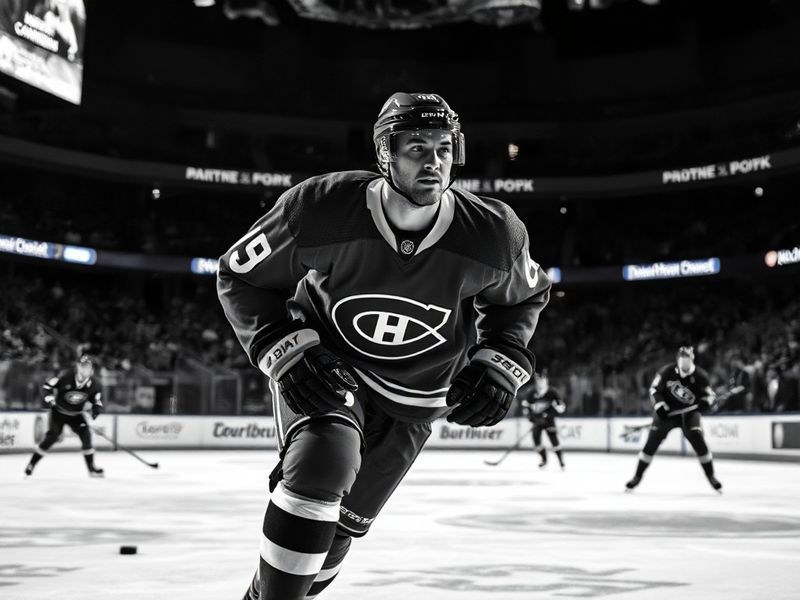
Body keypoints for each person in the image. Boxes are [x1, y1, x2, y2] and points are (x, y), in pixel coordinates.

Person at [217, 92, 552, 600]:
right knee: (323, 462)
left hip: (418, 399)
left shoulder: (494, 233)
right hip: (330, 365)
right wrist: (284, 349)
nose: (434, 161)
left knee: (338, 534)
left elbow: (524, 298)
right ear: (384, 154)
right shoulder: (323, 207)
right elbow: (240, 276)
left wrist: (501, 362)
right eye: (417, 147)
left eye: (444, 148)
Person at [625, 345, 721, 493]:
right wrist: (659, 406)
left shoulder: (701, 376)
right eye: (682, 359)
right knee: (651, 443)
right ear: (677, 359)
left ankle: (711, 476)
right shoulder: (666, 372)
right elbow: (654, 390)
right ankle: (637, 477)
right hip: (667, 413)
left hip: (690, 414)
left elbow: (711, 396)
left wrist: (707, 402)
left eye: (687, 359)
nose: (684, 362)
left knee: (697, 438)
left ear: (692, 359)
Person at [24, 354, 105, 477]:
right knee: (51, 438)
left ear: (92, 369)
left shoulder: (95, 384)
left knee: (86, 436)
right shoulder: (65, 376)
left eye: (88, 367)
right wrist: (50, 399)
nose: (85, 369)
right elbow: (46, 387)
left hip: (76, 415)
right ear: (78, 366)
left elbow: (97, 400)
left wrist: (96, 410)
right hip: (58, 413)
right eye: (83, 366)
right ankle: (31, 465)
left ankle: (91, 469)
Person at [519, 371, 565, 469]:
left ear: (546, 381)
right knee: (537, 443)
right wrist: (533, 419)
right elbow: (526, 409)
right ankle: (544, 460)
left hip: (549, 421)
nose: (540, 383)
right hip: (537, 421)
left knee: (554, 441)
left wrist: (549, 415)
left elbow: (561, 408)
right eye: (538, 381)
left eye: (542, 380)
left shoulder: (552, 392)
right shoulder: (531, 393)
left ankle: (561, 462)